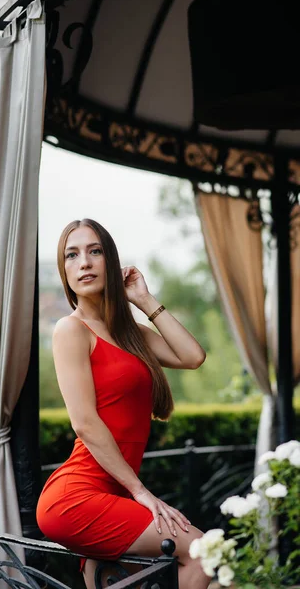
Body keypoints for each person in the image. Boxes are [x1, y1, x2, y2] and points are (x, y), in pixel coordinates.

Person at [36, 218, 210, 589]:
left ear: (110, 263)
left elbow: (193, 356)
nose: (84, 262)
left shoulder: (131, 334)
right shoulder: (70, 330)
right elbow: (84, 423)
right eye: (72, 255)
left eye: (95, 251)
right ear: (64, 271)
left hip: (111, 493)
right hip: (76, 495)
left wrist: (145, 300)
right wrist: (141, 492)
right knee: (200, 550)